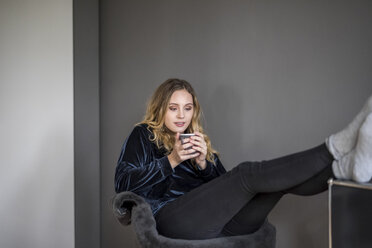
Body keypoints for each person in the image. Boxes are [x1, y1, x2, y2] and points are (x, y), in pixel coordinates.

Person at [115, 78, 372, 240]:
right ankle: (337, 147)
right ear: (161, 109)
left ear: (194, 110)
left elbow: (227, 189)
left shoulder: (195, 137)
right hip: (172, 219)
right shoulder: (144, 134)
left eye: (188, 107)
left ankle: (343, 168)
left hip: (221, 224)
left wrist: (205, 165)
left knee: (272, 184)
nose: (181, 115)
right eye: (173, 108)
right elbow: (123, 183)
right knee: (247, 173)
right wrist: (170, 160)